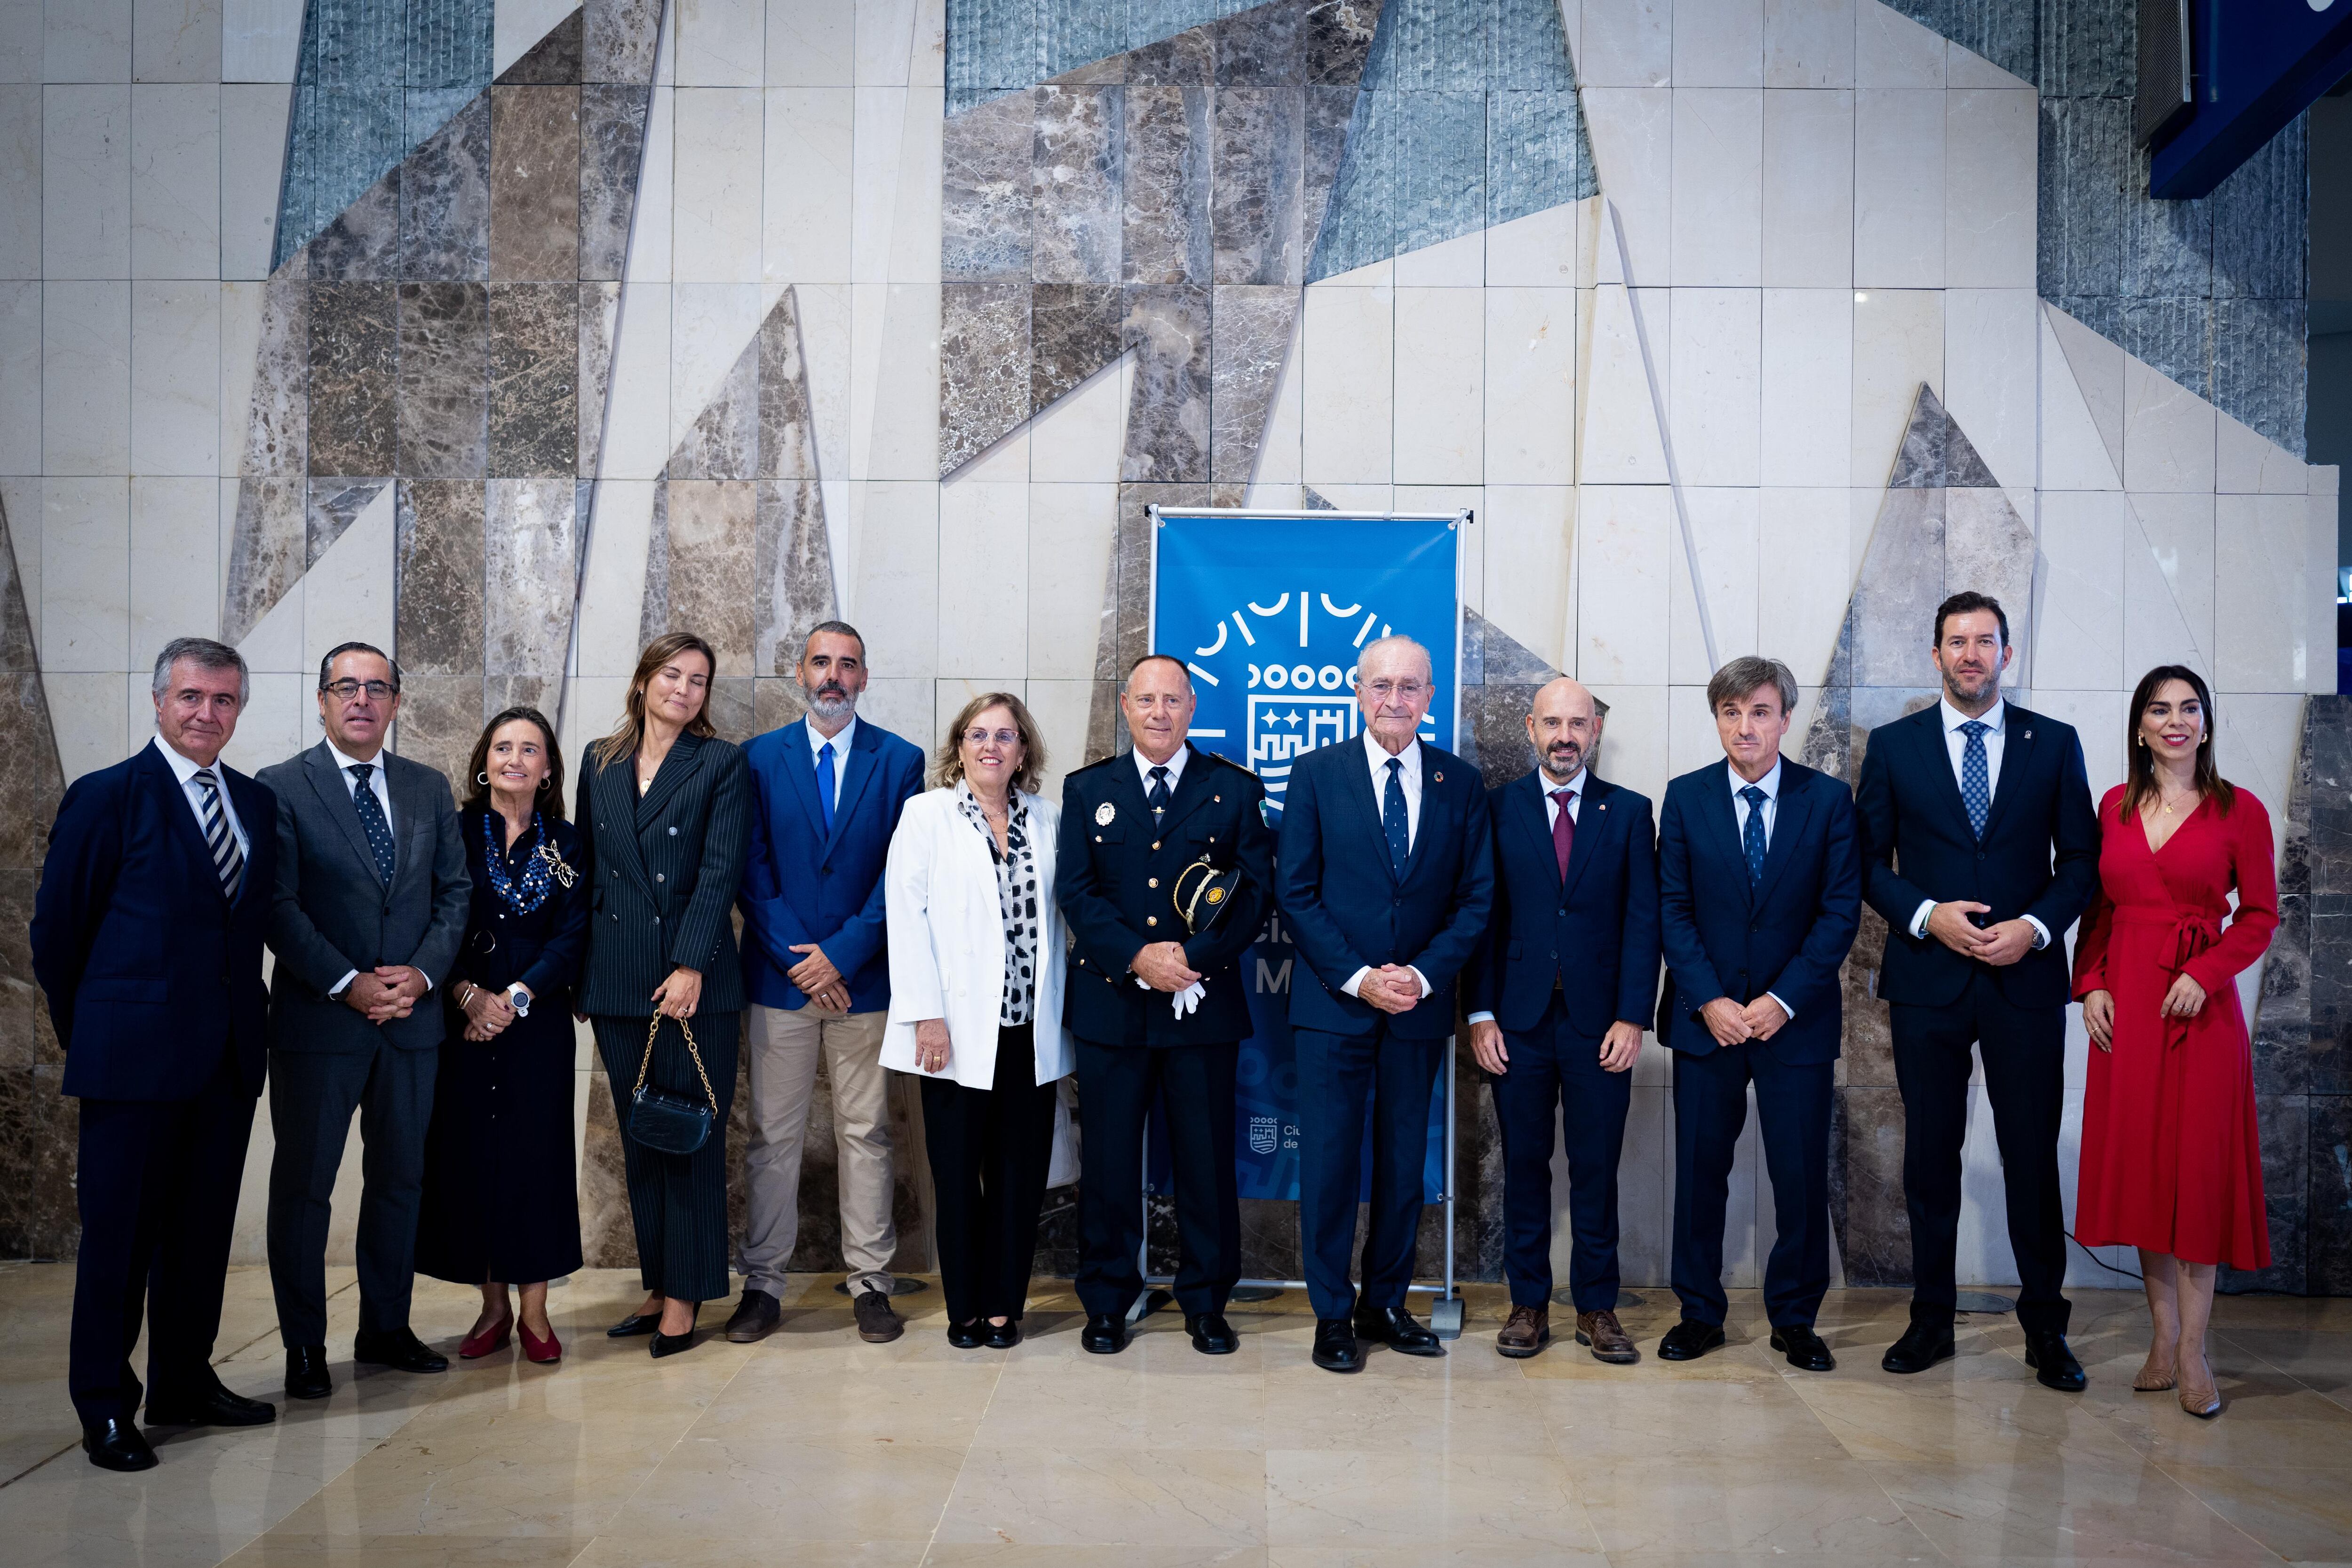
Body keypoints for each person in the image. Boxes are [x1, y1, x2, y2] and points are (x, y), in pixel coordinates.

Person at [32, 639, 278, 1470]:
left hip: (228, 1058)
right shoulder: (106, 797)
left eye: (224, 701)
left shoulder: (253, 803)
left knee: (201, 1235)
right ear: (159, 701)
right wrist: (98, 1030)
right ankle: (105, 1404)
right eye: (191, 697)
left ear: (239, 709)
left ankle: (184, 1378)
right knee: (120, 1240)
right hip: (132, 1061)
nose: (207, 713)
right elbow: (57, 935)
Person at [1855, 590, 2099, 1387]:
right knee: (1931, 1157)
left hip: (2024, 981)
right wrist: (1928, 916)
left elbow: (2082, 867)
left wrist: (2034, 927)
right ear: (1935, 655)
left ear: (2007, 653)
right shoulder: (1893, 747)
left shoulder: (2054, 744)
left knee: (2031, 1157)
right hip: (1930, 981)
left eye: (1985, 641)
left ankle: (2045, 1328)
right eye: (1956, 641)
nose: (1970, 654)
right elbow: (1865, 863)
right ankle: (1931, 1320)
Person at [1274, 636, 1493, 1374]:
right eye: (1381, 685)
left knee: (1403, 1165)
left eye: (1410, 686)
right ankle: (1333, 1313)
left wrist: (1423, 978)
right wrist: (1362, 976)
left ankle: (1385, 1302)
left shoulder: (1460, 783)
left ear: (1430, 695)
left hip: (1418, 1009)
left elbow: (1476, 898)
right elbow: (1295, 893)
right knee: (1332, 1163)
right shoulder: (1314, 775)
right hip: (1335, 1006)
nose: (1394, 699)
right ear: (1357, 690)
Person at [259, 643, 470, 1401]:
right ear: (321, 700)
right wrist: (349, 982)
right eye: (345, 686)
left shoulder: (426, 786)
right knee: (305, 1186)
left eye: (376, 687)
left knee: (400, 1179)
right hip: (322, 1024)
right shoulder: (280, 787)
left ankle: (385, 1325)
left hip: (412, 1020)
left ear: (396, 703)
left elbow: (455, 894)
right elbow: (277, 905)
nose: (361, 699)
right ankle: (304, 1345)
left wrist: (419, 975)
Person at [1056, 654, 1274, 1356]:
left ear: (1191, 706)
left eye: (1172, 700)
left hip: (1200, 1007)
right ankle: (1109, 1299)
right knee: (1112, 1165)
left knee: (1205, 1164)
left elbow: (1255, 896)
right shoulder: (1089, 788)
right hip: (1112, 1006)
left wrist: (1191, 961)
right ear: (1126, 705)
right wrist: (1139, 956)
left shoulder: (1233, 790)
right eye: (1146, 699)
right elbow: (1078, 891)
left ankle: (1207, 1301)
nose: (1159, 712)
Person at [2074, 666, 2276, 1419]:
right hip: (2126, 1009)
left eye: (2190, 708)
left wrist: (2206, 968)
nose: (2176, 721)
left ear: (2206, 723)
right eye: (2160, 709)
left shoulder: (2239, 810)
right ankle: (2161, 1339)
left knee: (2194, 1178)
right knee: (2145, 1180)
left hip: (2199, 1015)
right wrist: (2091, 982)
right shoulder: (2114, 807)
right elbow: (2098, 909)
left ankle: (2194, 1351)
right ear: (2139, 727)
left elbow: (2259, 916)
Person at [1654, 658, 1860, 1370]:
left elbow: (1838, 914)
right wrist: (1711, 1000)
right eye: (1731, 712)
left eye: (1761, 711)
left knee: (1798, 1175)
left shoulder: (1828, 800)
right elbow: (1672, 910)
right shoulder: (1684, 799)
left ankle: (1796, 1317)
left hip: (1793, 1024)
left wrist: (1779, 1001)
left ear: (1785, 717)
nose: (1746, 726)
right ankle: (1699, 1311)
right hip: (1706, 1023)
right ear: (1716, 718)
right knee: (1699, 1174)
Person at [731, 622, 925, 1345]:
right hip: (779, 984)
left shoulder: (900, 761)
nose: (833, 677)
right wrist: (800, 961)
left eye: (847, 665)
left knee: (867, 1134)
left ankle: (871, 1284)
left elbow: (899, 874)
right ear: (799, 672)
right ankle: (763, 1285)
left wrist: (839, 956)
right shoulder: (756, 759)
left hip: (864, 984)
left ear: (865, 678)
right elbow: (751, 869)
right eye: (821, 663)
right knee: (772, 1138)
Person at [1465, 677, 1660, 1363]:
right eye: (1552, 722)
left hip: (1599, 1023)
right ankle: (1527, 1304)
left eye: (1577, 722)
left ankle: (1598, 1308)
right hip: (1515, 1023)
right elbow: (1480, 918)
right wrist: (1481, 1011)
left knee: (1596, 1167)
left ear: (1596, 730)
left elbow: (1644, 924)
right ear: (1530, 727)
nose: (1565, 735)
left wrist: (1634, 1016)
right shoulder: (1495, 809)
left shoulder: (1631, 813)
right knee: (1522, 1165)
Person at [575, 632, 752, 1358]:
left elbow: (720, 873)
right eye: (672, 674)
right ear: (644, 679)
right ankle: (657, 1282)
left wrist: (689, 964)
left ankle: (686, 1297)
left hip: (693, 983)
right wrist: (582, 974)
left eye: (699, 680)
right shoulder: (600, 758)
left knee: (690, 1144)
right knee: (643, 1140)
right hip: (617, 979)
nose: (684, 689)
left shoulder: (721, 763)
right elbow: (587, 871)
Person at [882, 693, 1072, 1349]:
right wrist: (925, 1017)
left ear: (1024, 750)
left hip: (1030, 1035)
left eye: (1006, 735)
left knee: (1020, 1180)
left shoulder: (1048, 820)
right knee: (959, 1176)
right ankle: (964, 1307)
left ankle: (1003, 1308)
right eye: (978, 734)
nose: (991, 746)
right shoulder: (926, 815)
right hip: (956, 1035)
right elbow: (906, 921)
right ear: (959, 746)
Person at [415, 708, 590, 1365]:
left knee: (535, 1160)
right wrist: (466, 993)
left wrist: (514, 999)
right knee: (473, 1158)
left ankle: (536, 1313)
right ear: (483, 762)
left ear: (548, 768)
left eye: (531, 749)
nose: (516, 758)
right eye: (504, 747)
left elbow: (574, 934)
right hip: (461, 1018)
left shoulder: (565, 844)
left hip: (537, 1021)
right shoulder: (453, 832)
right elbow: (431, 920)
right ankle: (491, 1307)